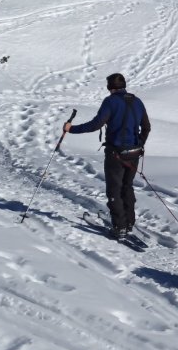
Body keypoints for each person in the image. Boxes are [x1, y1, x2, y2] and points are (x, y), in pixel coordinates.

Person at [65, 73, 151, 239]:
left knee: (115, 189)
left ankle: (120, 227)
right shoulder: (137, 101)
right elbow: (146, 127)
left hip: (116, 153)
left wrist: (71, 129)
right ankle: (129, 222)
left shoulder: (110, 101)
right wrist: (139, 144)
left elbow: (96, 124)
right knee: (127, 186)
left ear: (109, 87)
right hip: (134, 153)